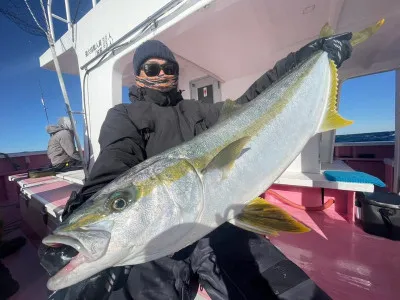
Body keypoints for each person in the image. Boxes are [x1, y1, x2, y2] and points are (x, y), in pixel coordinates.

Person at [40, 32, 353, 300]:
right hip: (156, 238)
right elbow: (115, 161)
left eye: (169, 68)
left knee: (283, 288)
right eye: (152, 67)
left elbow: (250, 104)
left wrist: (307, 58)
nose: (161, 73)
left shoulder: (198, 111)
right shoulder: (124, 115)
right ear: (138, 73)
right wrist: (80, 212)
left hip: (215, 223)